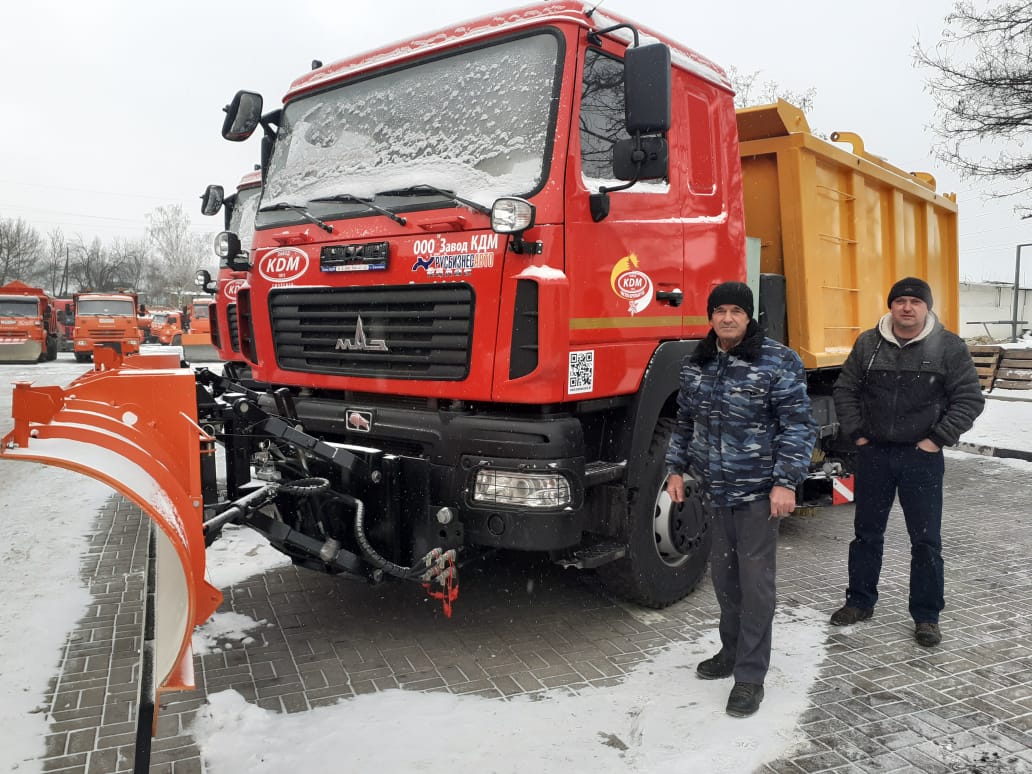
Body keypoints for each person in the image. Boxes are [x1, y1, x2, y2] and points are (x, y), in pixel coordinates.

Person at [665, 281, 816, 718]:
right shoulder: (698, 362)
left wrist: (786, 482)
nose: (727, 318)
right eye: (719, 311)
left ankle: (750, 676)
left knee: (756, 585)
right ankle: (730, 652)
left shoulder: (778, 361)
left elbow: (797, 427)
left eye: (735, 310)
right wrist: (675, 470)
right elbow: (685, 422)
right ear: (709, 316)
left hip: (758, 494)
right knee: (724, 579)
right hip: (715, 491)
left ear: (749, 316)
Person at [830, 277, 985, 647]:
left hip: (922, 458)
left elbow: (969, 399)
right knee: (867, 534)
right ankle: (859, 602)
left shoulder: (949, 347)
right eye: (900, 300)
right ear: (891, 306)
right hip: (875, 456)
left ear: (926, 307)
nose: (907, 307)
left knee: (926, 541)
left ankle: (927, 616)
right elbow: (845, 389)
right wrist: (859, 434)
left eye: (915, 301)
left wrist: (935, 441)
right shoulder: (869, 343)